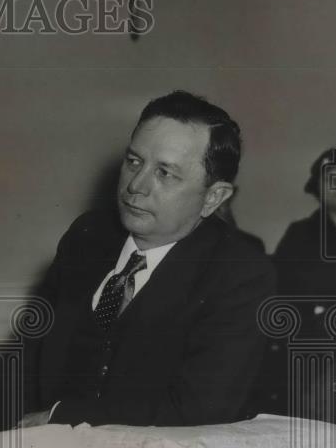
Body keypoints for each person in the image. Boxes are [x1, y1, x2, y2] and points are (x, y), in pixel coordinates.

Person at [21, 91, 275, 428]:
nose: (135, 186)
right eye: (134, 161)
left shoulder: (240, 274)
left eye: (165, 173)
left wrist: (58, 418)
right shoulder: (87, 236)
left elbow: (198, 411)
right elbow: (32, 358)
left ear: (213, 197)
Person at [249, 147, 336, 436]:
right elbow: (282, 300)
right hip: (327, 356)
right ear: (318, 187)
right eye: (332, 177)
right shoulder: (301, 236)